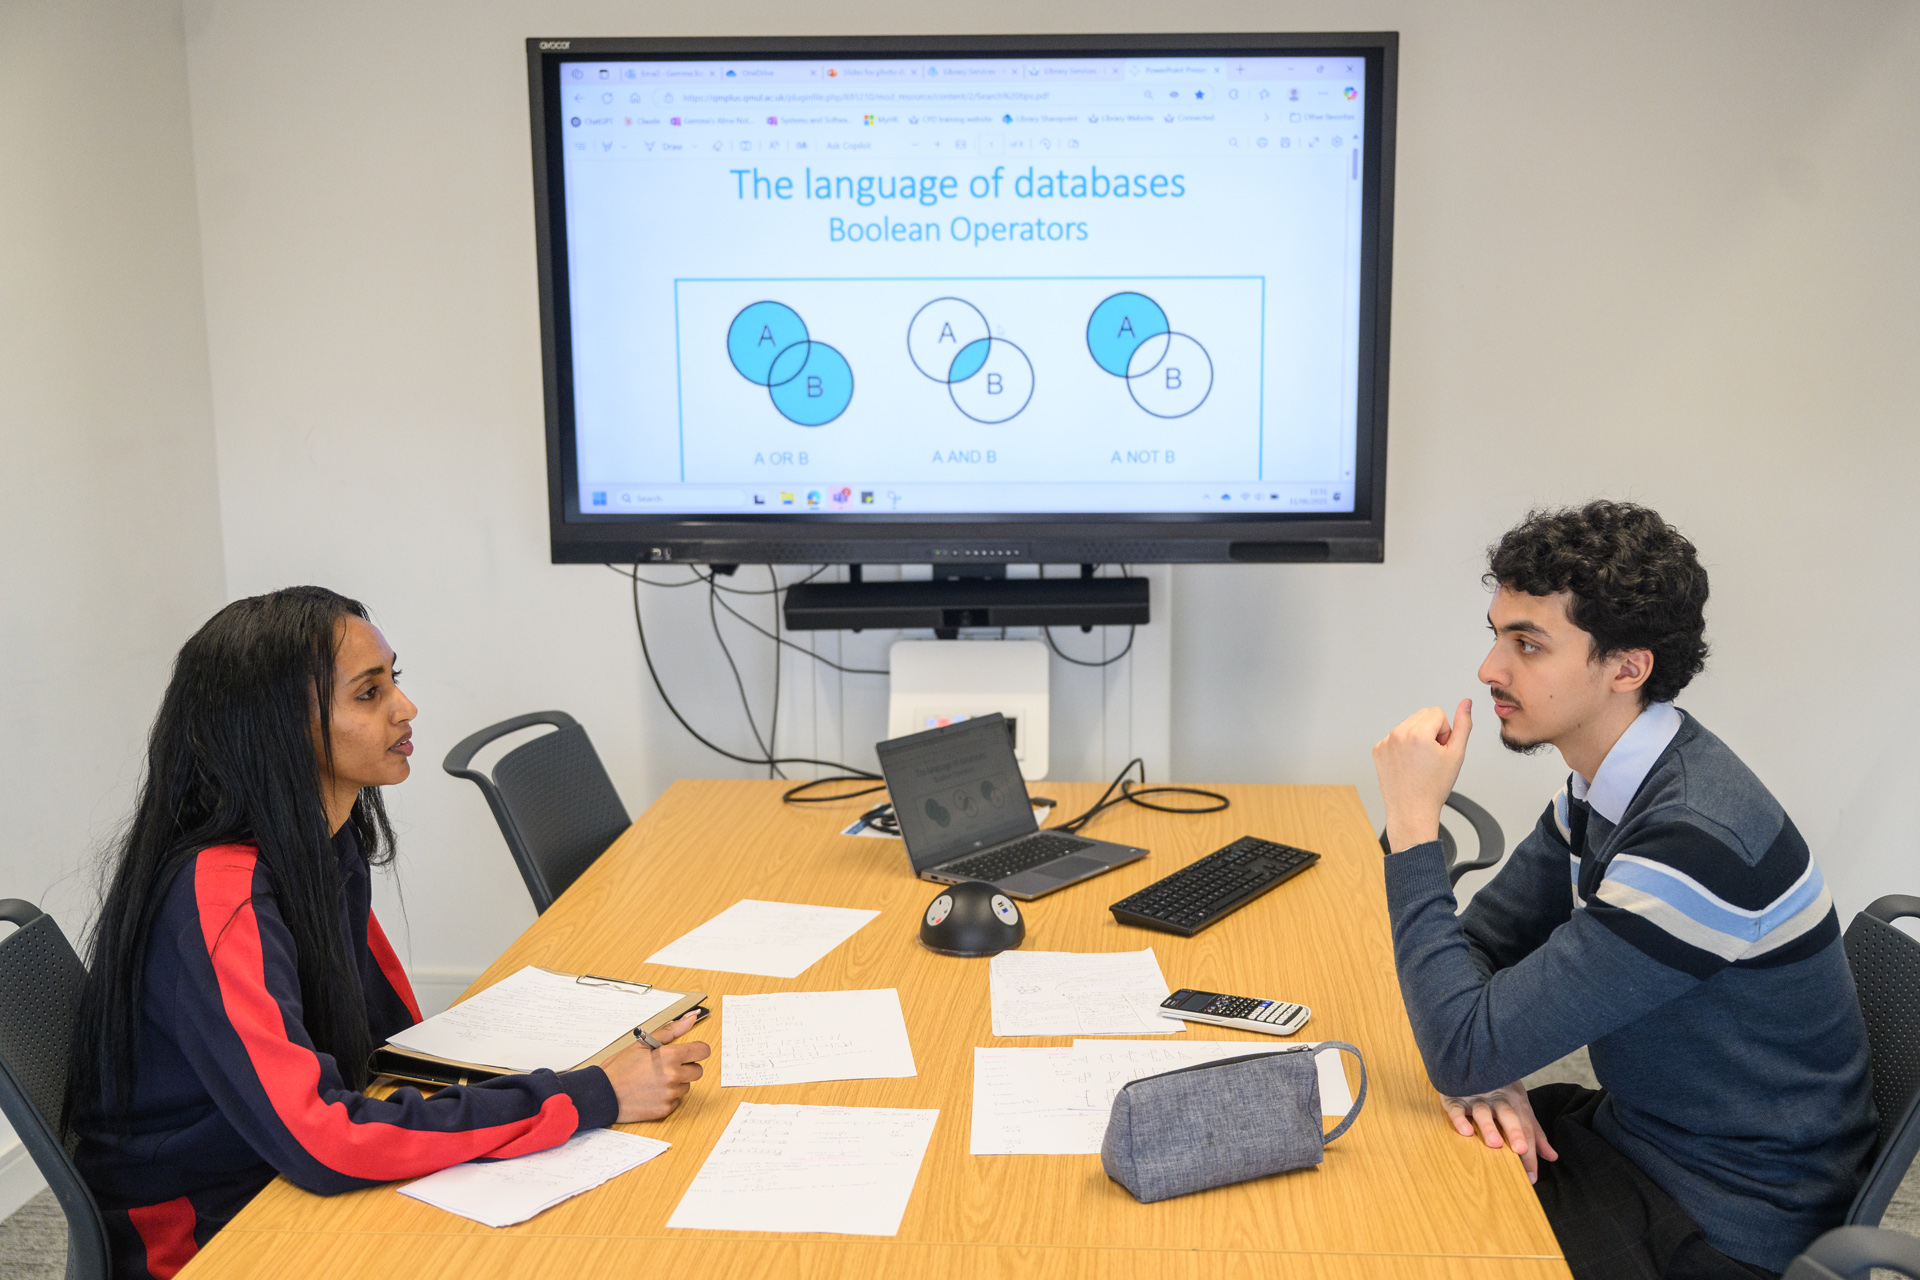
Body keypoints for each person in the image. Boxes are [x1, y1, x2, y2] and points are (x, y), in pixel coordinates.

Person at [67, 587, 710, 1280]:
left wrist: (557, 1086)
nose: (405, 709)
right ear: (278, 727)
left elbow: (389, 1043)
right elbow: (322, 1140)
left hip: (276, 1177)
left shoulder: (324, 841)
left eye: (392, 681)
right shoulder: (219, 891)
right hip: (214, 1238)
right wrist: (588, 1096)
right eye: (368, 694)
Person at [1370, 501, 1875, 1280]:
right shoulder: (1606, 787)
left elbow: (1462, 1040)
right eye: (1497, 633)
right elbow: (1480, 948)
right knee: (1388, 1143)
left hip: (1720, 1218)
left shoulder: (1693, 846)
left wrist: (1411, 826)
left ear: (1626, 668)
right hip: (1644, 1138)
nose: (1490, 669)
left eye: (1528, 644)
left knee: (1399, 1229)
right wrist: (1489, 1063)